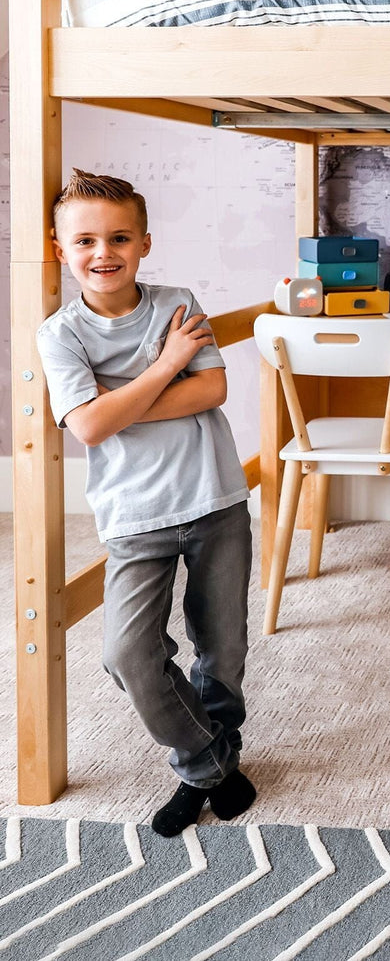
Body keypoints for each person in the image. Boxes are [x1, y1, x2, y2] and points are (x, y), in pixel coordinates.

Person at [36, 168, 256, 837]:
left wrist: (117, 401)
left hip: (213, 498)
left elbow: (211, 390)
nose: (103, 253)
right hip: (133, 515)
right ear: (61, 249)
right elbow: (88, 427)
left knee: (222, 648)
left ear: (145, 243)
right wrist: (164, 368)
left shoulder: (176, 304)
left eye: (119, 238)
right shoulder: (60, 334)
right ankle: (211, 764)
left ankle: (205, 765)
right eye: (85, 241)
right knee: (128, 655)